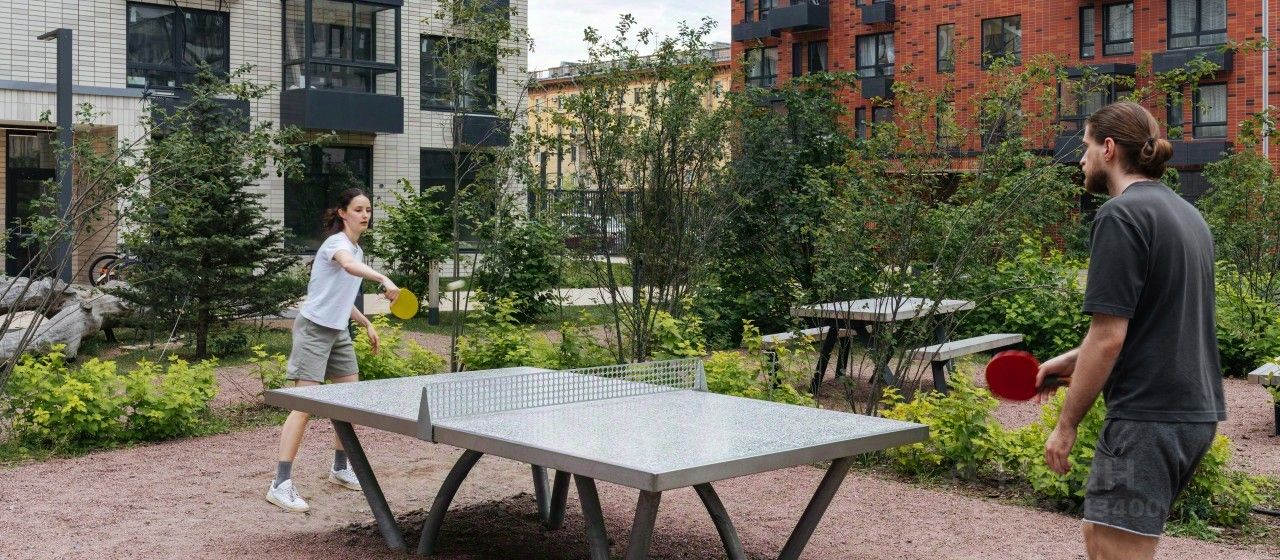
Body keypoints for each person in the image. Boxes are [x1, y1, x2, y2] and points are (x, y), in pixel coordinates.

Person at [1035, 101, 1224, 559]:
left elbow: (1109, 336)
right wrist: (1073, 360)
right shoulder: (1187, 215)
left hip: (1146, 419)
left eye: (1085, 147)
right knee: (1101, 538)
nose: (1081, 159)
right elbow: (1156, 318)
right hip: (1191, 414)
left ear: (1109, 148)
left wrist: (1066, 426)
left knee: (1113, 550)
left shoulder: (1119, 216)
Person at [266, 188, 400, 513]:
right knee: (304, 405)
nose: (365, 215)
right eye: (358, 209)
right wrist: (383, 278)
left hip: (338, 330)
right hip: (314, 329)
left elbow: (341, 296)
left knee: (347, 400)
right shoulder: (337, 245)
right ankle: (280, 484)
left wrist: (365, 322)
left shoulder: (357, 249)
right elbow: (349, 267)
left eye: (368, 210)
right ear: (342, 212)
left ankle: (340, 468)